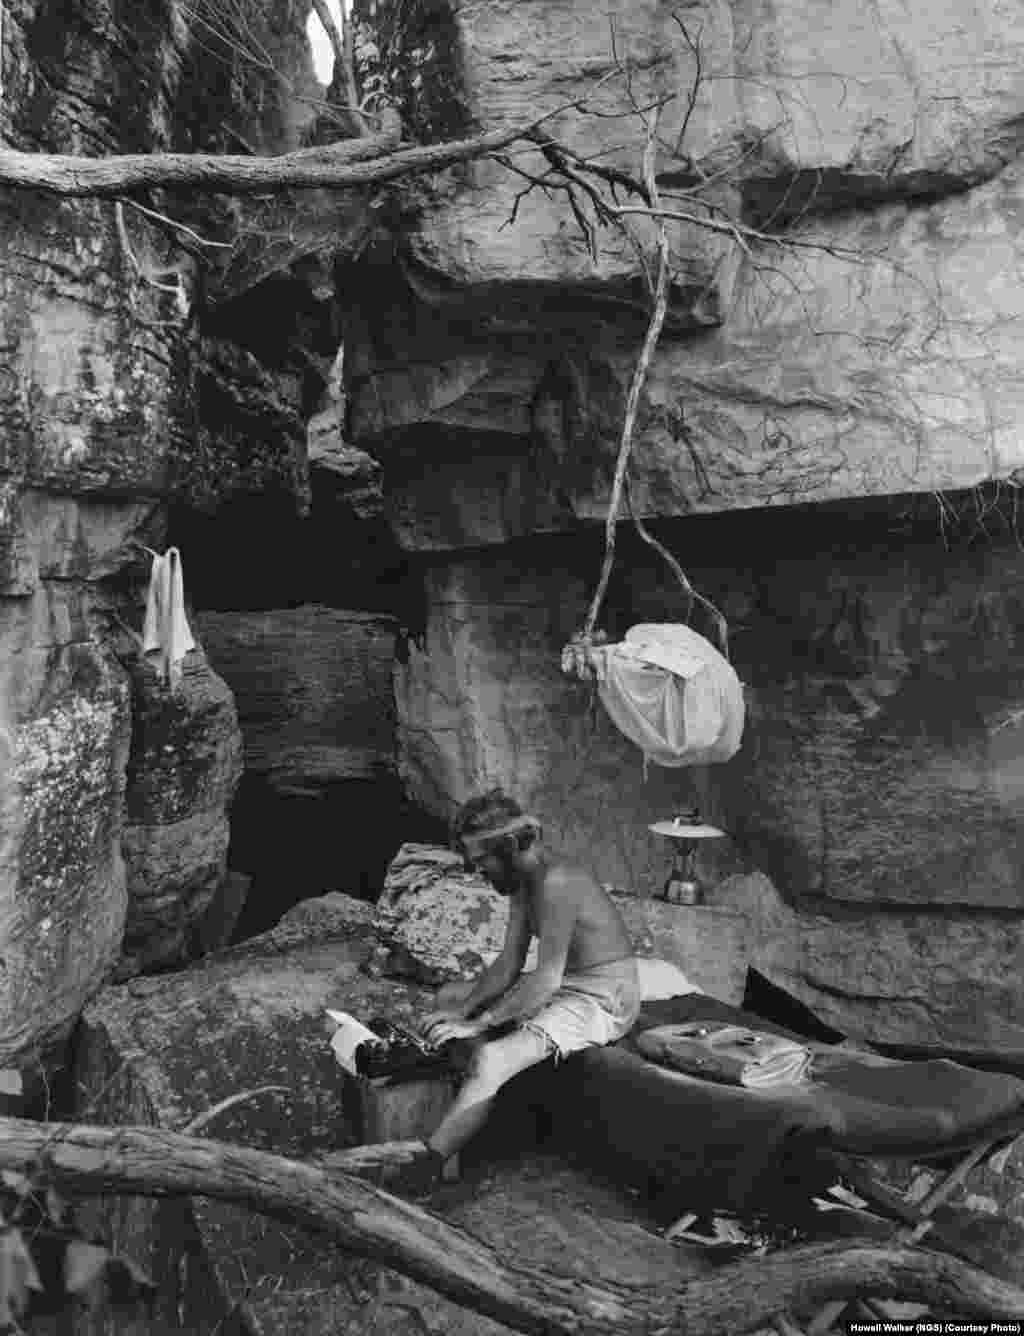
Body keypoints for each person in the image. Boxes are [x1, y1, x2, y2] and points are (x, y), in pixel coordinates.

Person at [419, 788, 641, 1165]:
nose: (477, 871)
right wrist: (465, 1010)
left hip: (602, 998)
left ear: (508, 847)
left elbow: (547, 979)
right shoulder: (524, 881)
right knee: (448, 999)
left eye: (480, 860)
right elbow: (509, 962)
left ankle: (425, 1165)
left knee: (492, 1057)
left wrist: (480, 1024)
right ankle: (473, 1120)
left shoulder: (557, 882)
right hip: (568, 986)